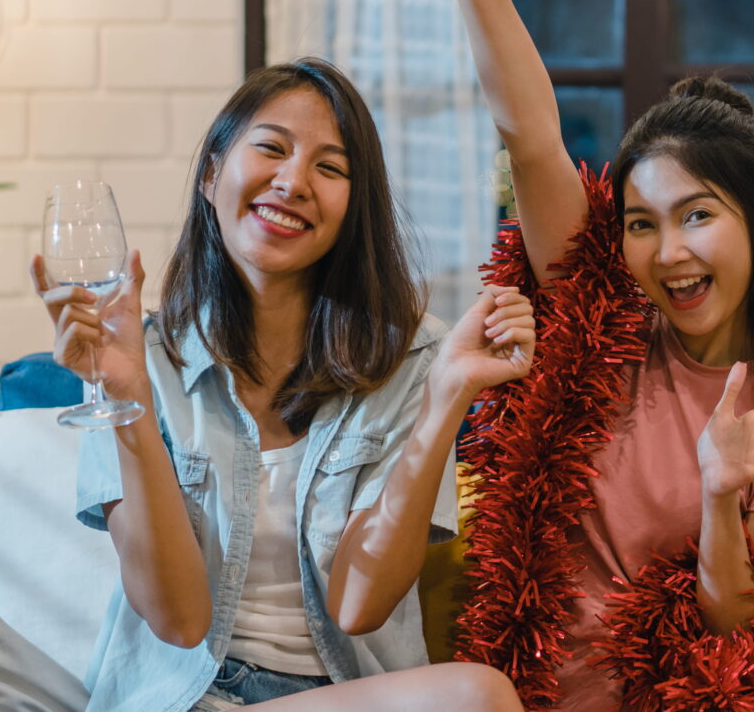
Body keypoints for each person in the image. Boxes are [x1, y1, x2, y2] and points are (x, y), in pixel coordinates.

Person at [391, 0, 754, 711]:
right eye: (641, 221)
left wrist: (724, 491)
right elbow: (530, 135)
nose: (667, 251)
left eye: (697, 215)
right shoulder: (605, 316)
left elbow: (745, 635)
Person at [34, 58, 532, 711]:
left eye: (329, 167)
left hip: (342, 693)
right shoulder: (136, 360)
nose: (294, 181)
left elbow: (360, 604)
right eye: (271, 147)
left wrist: (446, 399)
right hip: (186, 697)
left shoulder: (414, 359)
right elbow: (178, 621)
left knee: (478, 696)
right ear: (212, 174)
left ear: (352, 206)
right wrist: (127, 399)